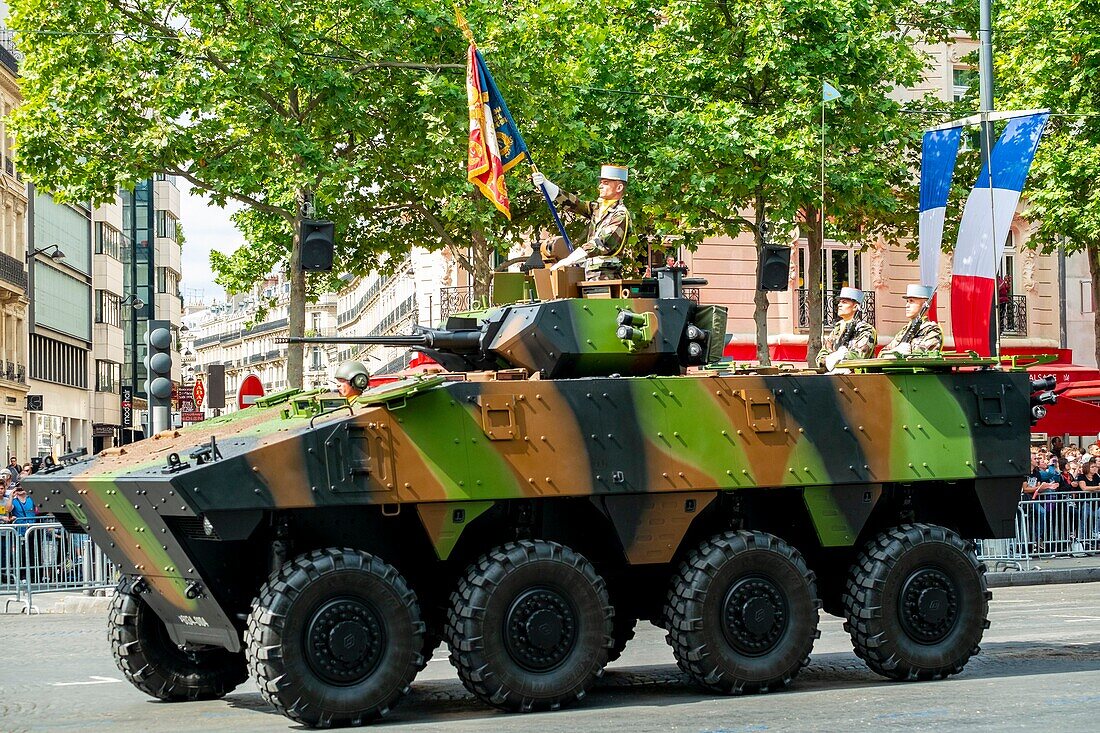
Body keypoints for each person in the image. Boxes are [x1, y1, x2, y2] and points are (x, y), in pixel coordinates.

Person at [531, 164, 633, 280]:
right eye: (601, 182)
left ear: (619, 188)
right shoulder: (599, 209)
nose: (600, 186)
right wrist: (547, 185)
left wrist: (570, 259)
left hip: (606, 275)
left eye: (606, 183)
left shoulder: (620, 214)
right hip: (590, 273)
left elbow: (602, 243)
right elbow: (575, 204)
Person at [815, 287, 878, 370]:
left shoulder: (865, 329)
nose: (839, 305)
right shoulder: (837, 329)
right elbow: (821, 356)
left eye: (844, 302)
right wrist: (829, 359)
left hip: (857, 378)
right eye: (839, 302)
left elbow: (860, 355)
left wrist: (841, 357)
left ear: (855, 307)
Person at [880, 284, 943, 357]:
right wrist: (895, 352)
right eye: (907, 301)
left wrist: (901, 355)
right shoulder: (905, 331)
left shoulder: (932, 330)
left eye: (911, 301)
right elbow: (882, 354)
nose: (907, 305)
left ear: (924, 305)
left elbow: (923, 357)